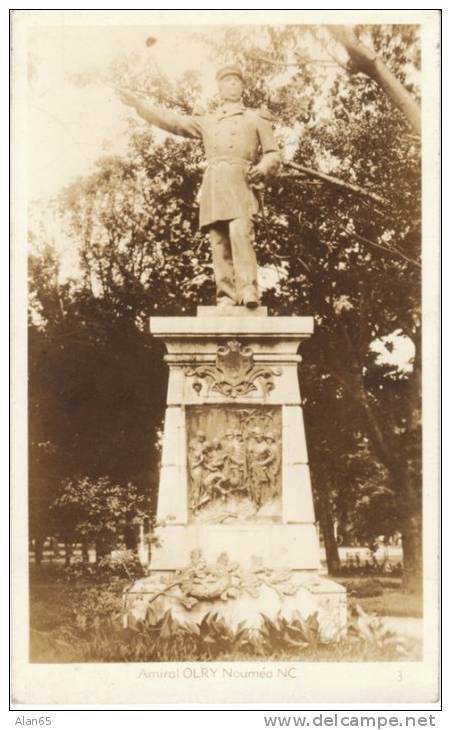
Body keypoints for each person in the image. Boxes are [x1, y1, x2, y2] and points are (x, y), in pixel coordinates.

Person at [119, 65, 280, 308]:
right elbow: (173, 122)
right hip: (215, 185)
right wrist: (139, 106)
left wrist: (263, 168)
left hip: (241, 182)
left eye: (237, 81)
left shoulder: (255, 117)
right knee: (219, 242)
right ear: (220, 89)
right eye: (227, 82)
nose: (233, 85)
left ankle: (248, 291)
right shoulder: (208, 121)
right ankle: (226, 296)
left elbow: (273, 153)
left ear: (243, 87)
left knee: (241, 235)